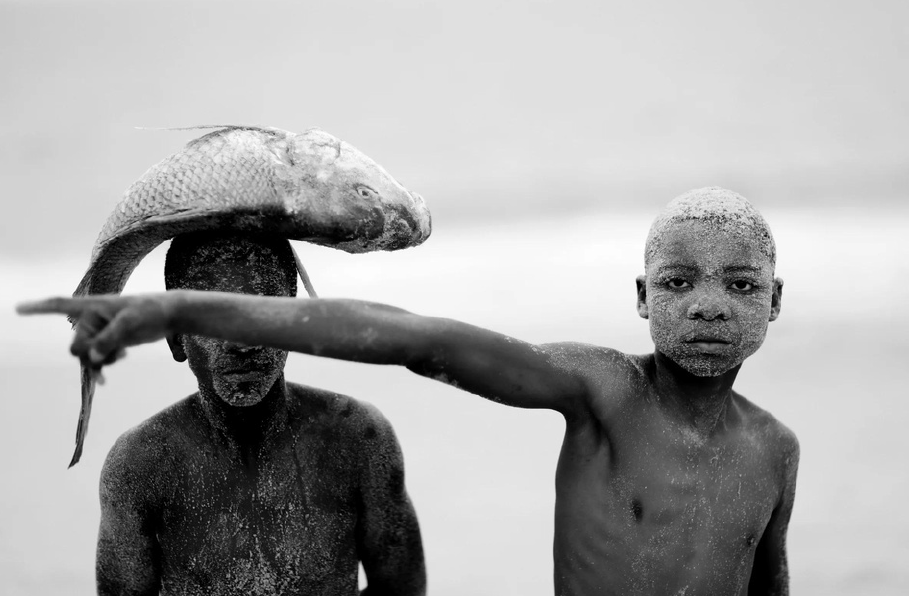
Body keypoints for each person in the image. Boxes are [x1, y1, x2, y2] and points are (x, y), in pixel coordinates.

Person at [21, 187, 799, 595]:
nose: (706, 305)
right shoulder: (602, 392)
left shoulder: (774, 450)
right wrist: (176, 305)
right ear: (640, 295)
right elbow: (419, 341)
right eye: (677, 281)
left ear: (772, 299)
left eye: (738, 284)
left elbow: (766, 580)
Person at [71, 231, 426, 596]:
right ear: (177, 339)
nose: (244, 343)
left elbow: (402, 588)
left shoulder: (356, 440)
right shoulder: (143, 466)